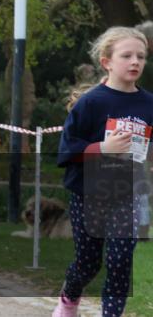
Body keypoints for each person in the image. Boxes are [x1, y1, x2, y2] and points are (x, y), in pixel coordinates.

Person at [51, 26, 151, 317]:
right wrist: (103, 148)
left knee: (120, 261)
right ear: (107, 62)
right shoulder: (90, 103)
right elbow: (66, 151)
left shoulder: (149, 104)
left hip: (128, 193)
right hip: (88, 192)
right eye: (127, 56)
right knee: (88, 262)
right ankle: (68, 301)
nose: (135, 62)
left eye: (141, 56)